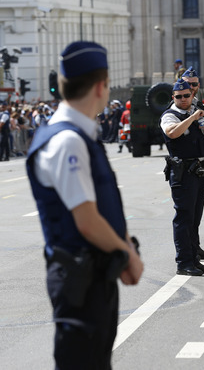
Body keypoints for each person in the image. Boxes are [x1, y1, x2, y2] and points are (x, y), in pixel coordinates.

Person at [25, 41, 143, 369]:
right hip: (80, 279)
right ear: (101, 86)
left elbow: (104, 203)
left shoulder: (79, 136)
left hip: (94, 275)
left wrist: (122, 246)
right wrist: (128, 254)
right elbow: (87, 221)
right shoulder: (68, 142)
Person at [160, 79, 204, 276]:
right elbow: (172, 133)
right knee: (184, 217)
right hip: (183, 172)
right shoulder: (170, 115)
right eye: (179, 96)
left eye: (186, 95)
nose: (183, 99)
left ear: (192, 95)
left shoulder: (196, 113)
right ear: (173, 98)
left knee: (195, 218)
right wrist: (192, 119)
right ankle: (183, 262)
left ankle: (193, 258)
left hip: (200, 168)